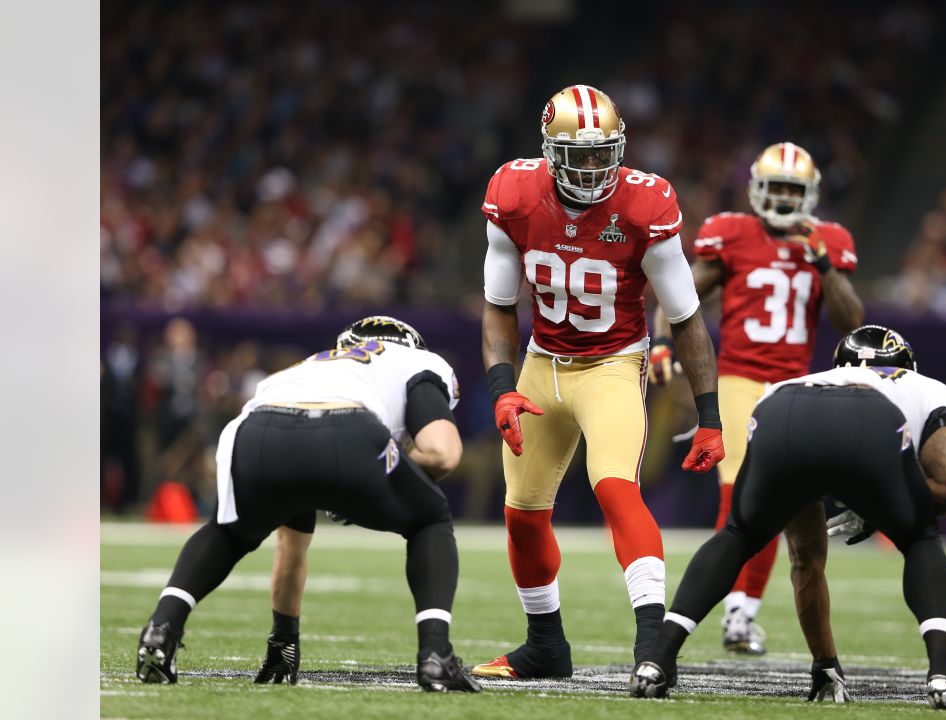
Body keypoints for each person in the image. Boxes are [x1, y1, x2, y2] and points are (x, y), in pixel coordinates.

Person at [473, 84, 726, 680]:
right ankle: (545, 647)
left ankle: (651, 648)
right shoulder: (512, 192)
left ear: (619, 148)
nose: (590, 168)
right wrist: (502, 387)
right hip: (542, 362)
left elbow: (687, 316)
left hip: (613, 363)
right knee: (522, 513)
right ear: (549, 152)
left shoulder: (645, 203)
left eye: (600, 153)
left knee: (615, 487)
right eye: (577, 155)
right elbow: (498, 305)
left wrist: (710, 415)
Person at [629, 325, 946, 710]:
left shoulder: (810, 378)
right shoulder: (928, 389)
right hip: (870, 418)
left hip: (782, 406)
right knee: (920, 538)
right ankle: (943, 671)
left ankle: (659, 658)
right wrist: (885, 508)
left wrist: (825, 662)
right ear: (907, 365)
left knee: (740, 534)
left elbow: (807, 560)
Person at [135, 316, 481, 693]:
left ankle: (161, 630)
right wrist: (368, 479)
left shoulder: (312, 366)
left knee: (229, 532)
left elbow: (291, 546)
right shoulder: (416, 363)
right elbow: (444, 455)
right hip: (347, 430)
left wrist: (284, 640)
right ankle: (436, 654)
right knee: (430, 518)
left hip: (258, 429)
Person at [649, 141, 863, 654]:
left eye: (794, 189)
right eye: (778, 188)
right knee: (738, 490)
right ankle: (731, 613)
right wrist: (660, 342)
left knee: (783, 498)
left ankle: (741, 615)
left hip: (793, 387)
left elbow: (852, 322)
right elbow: (681, 294)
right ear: (757, 189)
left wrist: (824, 266)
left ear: (809, 193)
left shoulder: (828, 240)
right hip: (739, 380)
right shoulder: (733, 233)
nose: (786, 198)